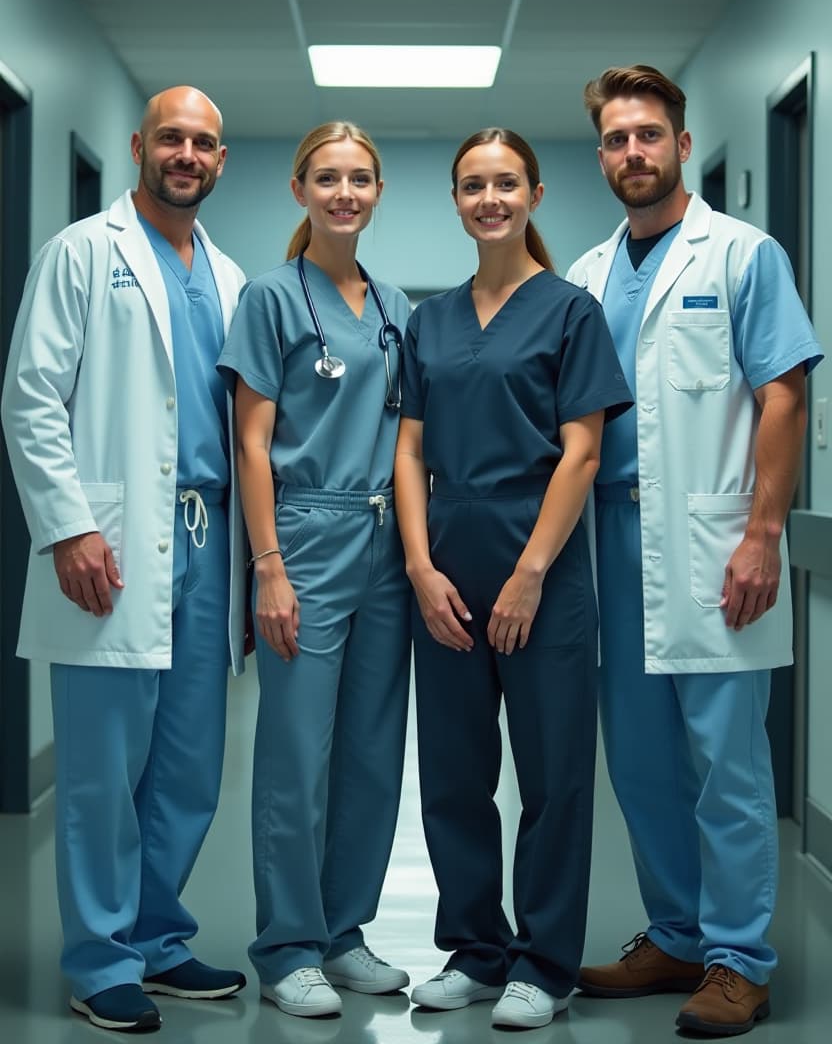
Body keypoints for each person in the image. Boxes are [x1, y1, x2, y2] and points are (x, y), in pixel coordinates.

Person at [567, 65, 824, 1037]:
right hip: (613, 546)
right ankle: (674, 933)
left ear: (680, 143)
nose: (632, 152)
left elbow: (783, 396)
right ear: (599, 155)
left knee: (726, 765)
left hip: (718, 545)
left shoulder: (742, 256)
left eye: (648, 135)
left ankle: (738, 960)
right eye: (614, 139)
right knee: (638, 765)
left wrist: (763, 534)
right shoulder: (589, 275)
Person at [1, 87, 249, 1033]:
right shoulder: (81, 253)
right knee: (104, 767)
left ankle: (157, 937)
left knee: (188, 764)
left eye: (206, 144)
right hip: (109, 538)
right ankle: (101, 957)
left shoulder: (227, 276)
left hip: (204, 540)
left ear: (221, 162)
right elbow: (31, 399)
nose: (188, 154)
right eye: (173, 139)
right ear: (142, 146)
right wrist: (67, 527)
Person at [394, 128, 632, 1030]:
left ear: (532, 193)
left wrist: (532, 574)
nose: (488, 200)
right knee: (453, 772)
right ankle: (476, 949)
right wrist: (419, 568)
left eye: (505, 183)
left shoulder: (571, 312)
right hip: (447, 567)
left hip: (544, 567)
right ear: (456, 202)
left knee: (553, 774)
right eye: (471, 186)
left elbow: (582, 451)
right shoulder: (432, 320)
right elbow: (410, 448)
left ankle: (544, 962)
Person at [217, 121, 411, 1019]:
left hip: (385, 542)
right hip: (302, 534)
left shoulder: (394, 306)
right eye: (327, 177)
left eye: (360, 178)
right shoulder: (270, 297)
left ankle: (343, 932)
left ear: (377, 193)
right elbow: (251, 444)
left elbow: (410, 438)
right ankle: (288, 944)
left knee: (373, 753)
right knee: (297, 754)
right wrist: (268, 566)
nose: (345, 192)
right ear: (300, 190)